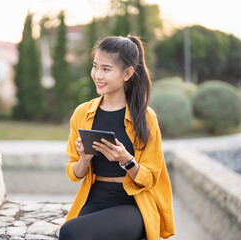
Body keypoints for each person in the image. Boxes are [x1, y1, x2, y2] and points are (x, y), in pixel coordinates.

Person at [58, 35, 175, 240]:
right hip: (95, 198)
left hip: (131, 203)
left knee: (70, 232)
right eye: (95, 66)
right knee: (69, 234)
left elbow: (150, 178)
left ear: (127, 73)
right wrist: (84, 159)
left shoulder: (145, 117)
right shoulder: (82, 113)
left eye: (106, 69)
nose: (97, 75)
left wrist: (126, 160)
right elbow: (74, 173)